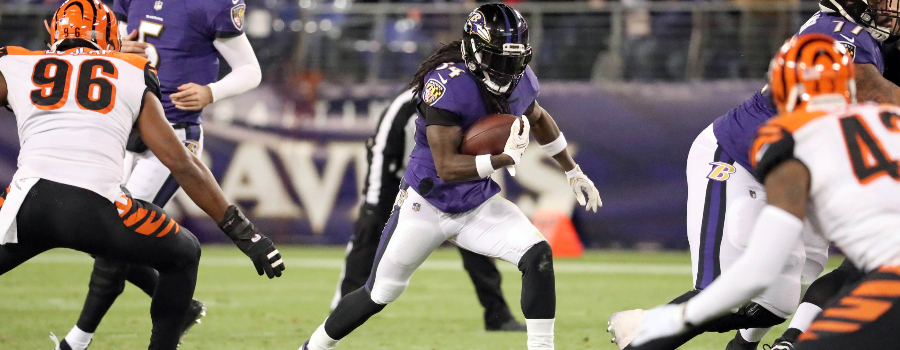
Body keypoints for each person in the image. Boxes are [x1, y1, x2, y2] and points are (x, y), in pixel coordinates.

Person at [298, 4, 601, 350]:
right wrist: (503, 158)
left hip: (476, 204)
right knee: (378, 293)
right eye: (497, 58)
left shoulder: (521, 80)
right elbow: (447, 167)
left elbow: (539, 117)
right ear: (473, 49)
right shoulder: (446, 83)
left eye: (512, 60)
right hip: (426, 204)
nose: (506, 70)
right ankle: (312, 347)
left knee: (538, 255)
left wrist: (572, 170)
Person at [608, 1, 900, 349]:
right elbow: (873, 91)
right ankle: (646, 328)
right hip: (737, 161)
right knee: (728, 294)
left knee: (775, 304)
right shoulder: (838, 34)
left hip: (803, 168)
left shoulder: (862, 45)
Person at [0, 1, 283, 350]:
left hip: (26, 203)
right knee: (180, 253)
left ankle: (77, 340)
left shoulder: (14, 62)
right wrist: (245, 234)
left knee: (116, 250)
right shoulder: (131, 70)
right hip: (97, 206)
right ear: (111, 37)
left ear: (48, 30)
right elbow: (183, 164)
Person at [331, 88, 526, 332]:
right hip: (398, 176)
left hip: (446, 178)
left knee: (475, 243)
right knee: (369, 230)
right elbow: (382, 149)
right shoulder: (407, 103)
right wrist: (373, 200)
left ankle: (497, 314)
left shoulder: (464, 98)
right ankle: (342, 311)